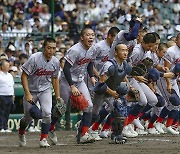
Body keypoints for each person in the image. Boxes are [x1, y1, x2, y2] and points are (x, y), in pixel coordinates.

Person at [18, 37, 60, 147]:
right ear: (43, 48)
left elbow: (55, 79)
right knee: (28, 117)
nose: (51, 51)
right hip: (31, 90)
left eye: (53, 48)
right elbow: (24, 75)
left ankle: (43, 139)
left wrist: (58, 96)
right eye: (49, 48)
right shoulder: (34, 58)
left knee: (47, 113)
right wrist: (27, 93)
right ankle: (21, 132)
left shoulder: (55, 61)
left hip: (45, 89)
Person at [59, 27, 97, 144]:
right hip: (66, 82)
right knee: (60, 109)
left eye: (92, 35)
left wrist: (91, 76)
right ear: (82, 37)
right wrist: (72, 86)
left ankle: (83, 134)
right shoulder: (75, 50)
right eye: (88, 35)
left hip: (80, 81)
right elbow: (66, 68)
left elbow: (90, 63)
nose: (91, 37)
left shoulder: (92, 49)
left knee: (89, 106)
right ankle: (50, 129)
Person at [89, 43, 132, 142]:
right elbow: (101, 82)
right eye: (122, 50)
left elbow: (122, 76)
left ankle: (116, 136)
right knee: (94, 115)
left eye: (126, 50)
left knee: (120, 110)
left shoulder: (125, 65)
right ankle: (82, 131)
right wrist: (112, 92)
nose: (125, 53)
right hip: (100, 92)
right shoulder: (110, 65)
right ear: (116, 53)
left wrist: (130, 88)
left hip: (112, 91)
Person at [0, 60, 14, 133]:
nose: (8, 67)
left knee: (7, 112)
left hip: (9, 95)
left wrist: (13, 96)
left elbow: (12, 85)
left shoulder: (10, 75)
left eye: (8, 65)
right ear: (2, 67)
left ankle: (5, 126)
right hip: (2, 95)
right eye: (6, 65)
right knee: (1, 112)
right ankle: (1, 127)